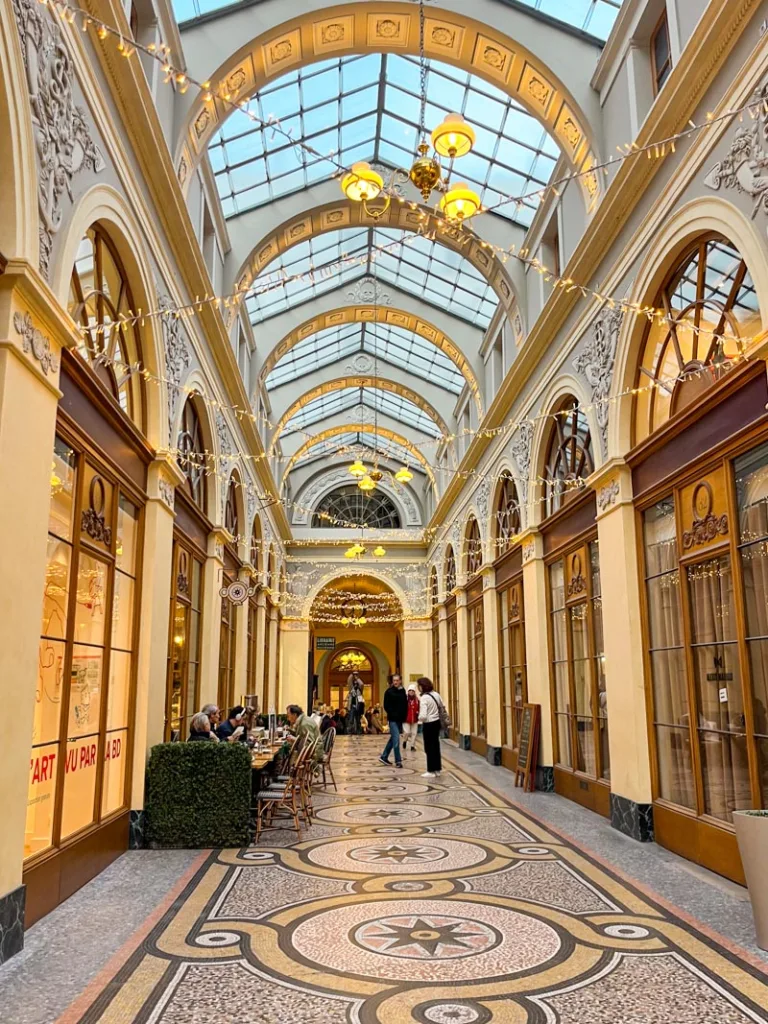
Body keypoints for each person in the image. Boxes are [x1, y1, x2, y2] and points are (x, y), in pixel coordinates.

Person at [417, 677, 445, 778]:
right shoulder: (436, 694)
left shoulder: (424, 698)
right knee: (436, 746)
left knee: (429, 748)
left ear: (422, 686)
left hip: (429, 724)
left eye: (418, 685)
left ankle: (430, 770)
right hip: (437, 723)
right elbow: (442, 705)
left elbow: (423, 716)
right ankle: (437, 769)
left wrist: (418, 716)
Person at [379, 674, 407, 768]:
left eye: (397, 680)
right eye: (394, 680)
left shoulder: (402, 691)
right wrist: (393, 714)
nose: (395, 682)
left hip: (400, 720)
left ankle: (384, 756)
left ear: (400, 681)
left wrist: (404, 716)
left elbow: (404, 705)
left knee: (393, 739)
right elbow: (386, 706)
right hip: (393, 720)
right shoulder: (389, 692)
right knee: (396, 741)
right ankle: (398, 761)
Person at [402, 685, 420, 754]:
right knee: (406, 732)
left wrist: (418, 715)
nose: (411, 692)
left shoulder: (417, 700)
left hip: (414, 718)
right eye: (410, 691)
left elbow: (419, 708)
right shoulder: (405, 699)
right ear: (408, 691)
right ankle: (405, 740)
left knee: (414, 733)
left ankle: (412, 746)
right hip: (406, 718)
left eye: (413, 691)